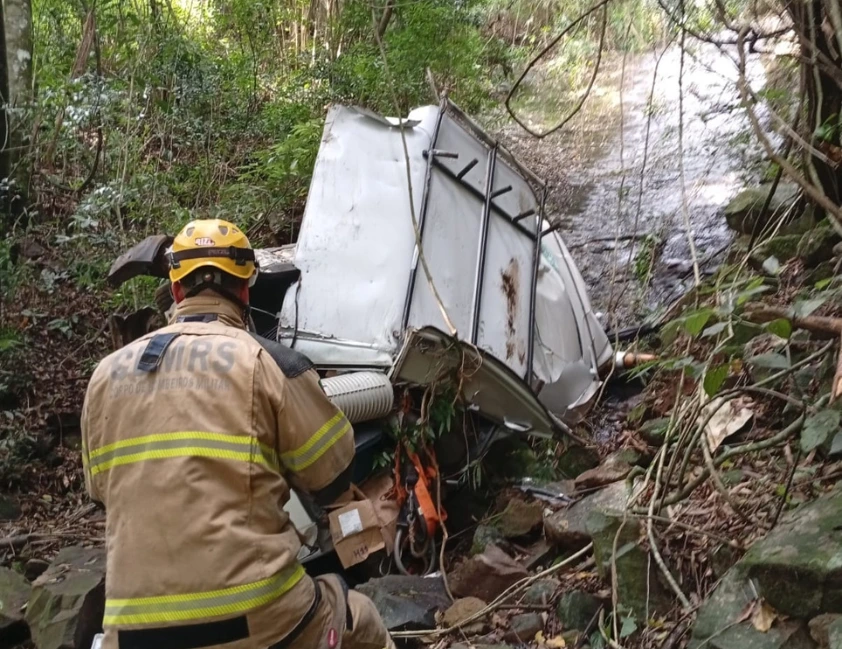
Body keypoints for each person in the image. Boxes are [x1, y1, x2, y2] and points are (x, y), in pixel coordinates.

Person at [81, 219, 395, 649]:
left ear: (176, 291)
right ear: (246, 290)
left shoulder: (105, 376)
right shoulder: (269, 362)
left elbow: (102, 492)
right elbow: (333, 474)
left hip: (133, 636)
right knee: (362, 619)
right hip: (258, 624)